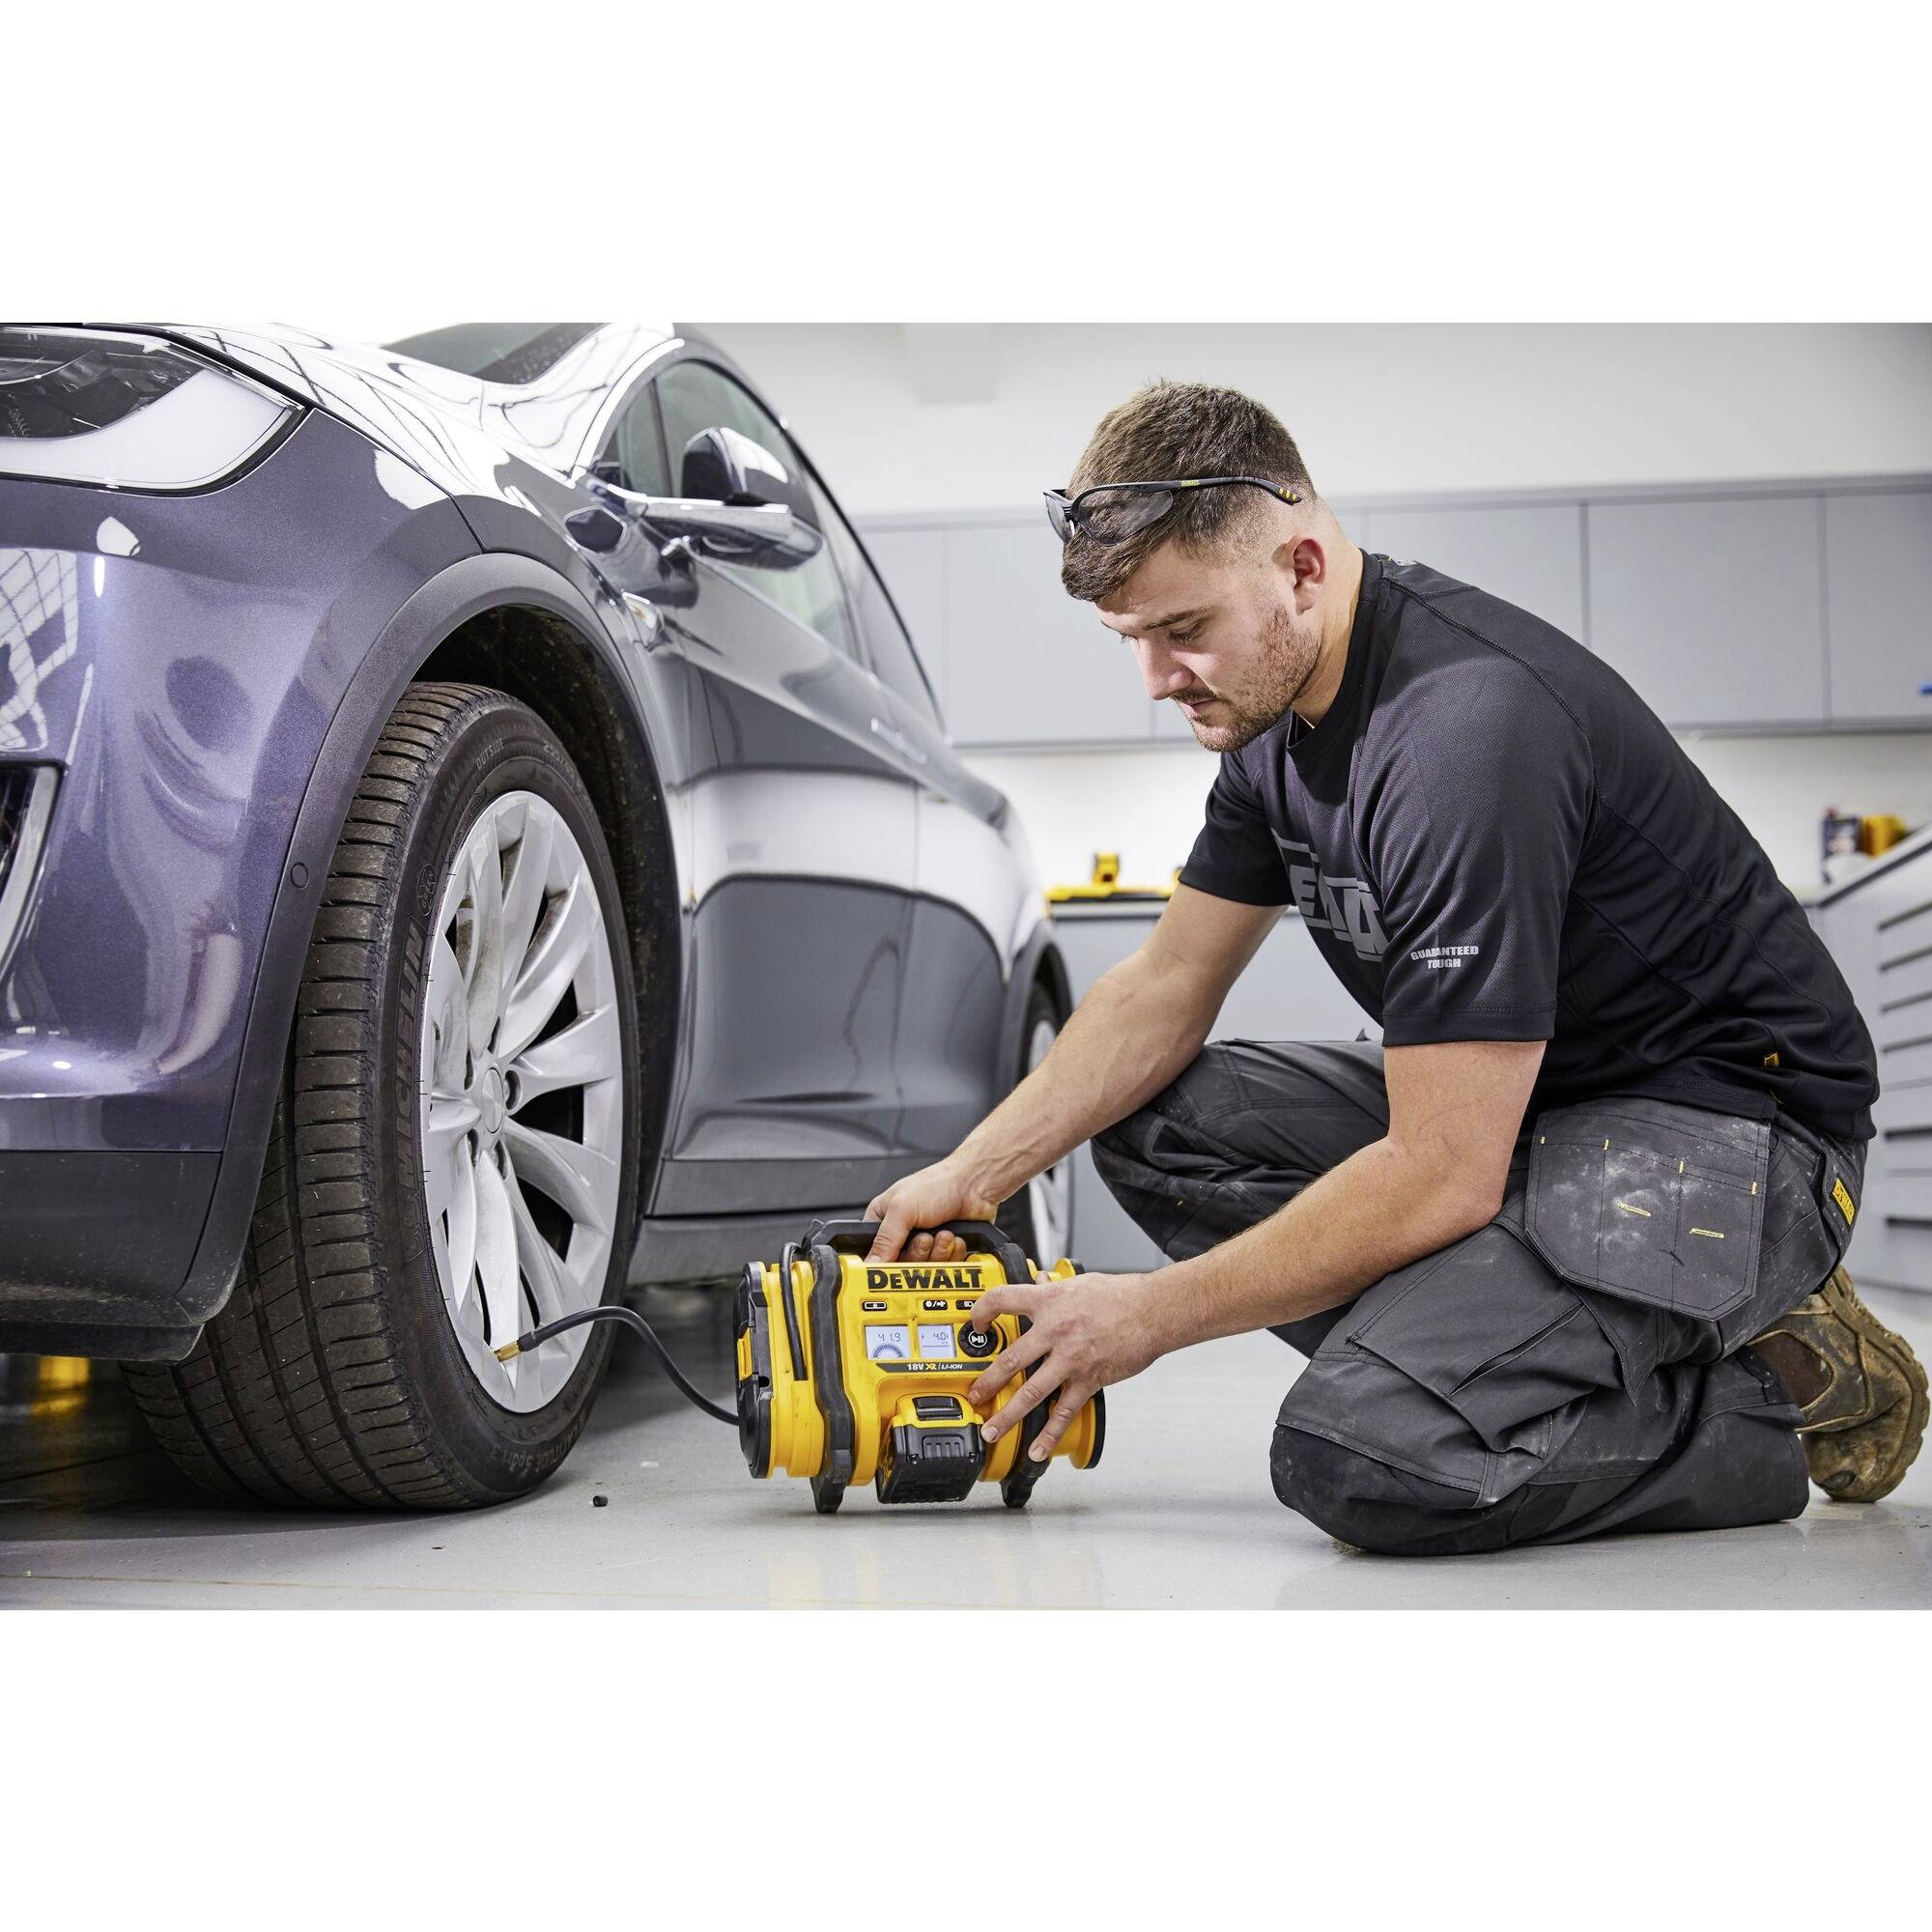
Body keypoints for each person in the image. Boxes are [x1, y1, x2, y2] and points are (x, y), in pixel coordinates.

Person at [864, 379, 1926, 1555]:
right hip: (1532, 1115)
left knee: (1364, 1450)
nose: (1156, 678)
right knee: (1158, 1121)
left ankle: (1776, 1385)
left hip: (1733, 1136)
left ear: (1302, 567)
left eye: (1183, 629)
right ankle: (1508, 1345)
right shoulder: (1269, 719)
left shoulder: (1463, 732)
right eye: (1134, 640)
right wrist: (971, 1170)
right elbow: (1160, 988)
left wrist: (1144, 1315)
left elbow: (1439, 1172)